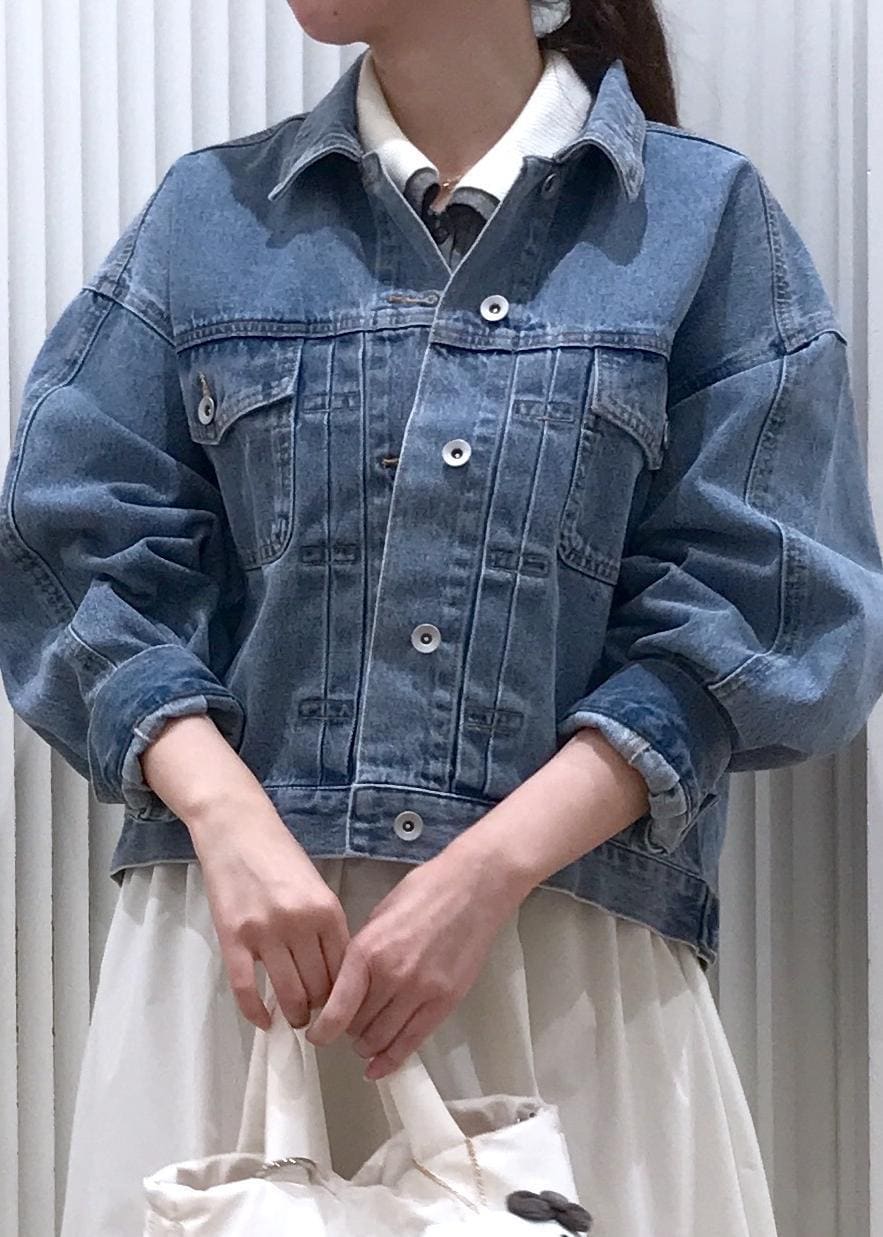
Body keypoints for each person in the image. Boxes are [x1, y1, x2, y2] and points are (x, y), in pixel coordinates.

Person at [1, 0, 882, 1233]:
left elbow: (775, 603)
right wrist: (226, 815)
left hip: (560, 959)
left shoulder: (700, 220)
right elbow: (66, 548)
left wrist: (485, 870)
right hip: (244, 954)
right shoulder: (212, 217)